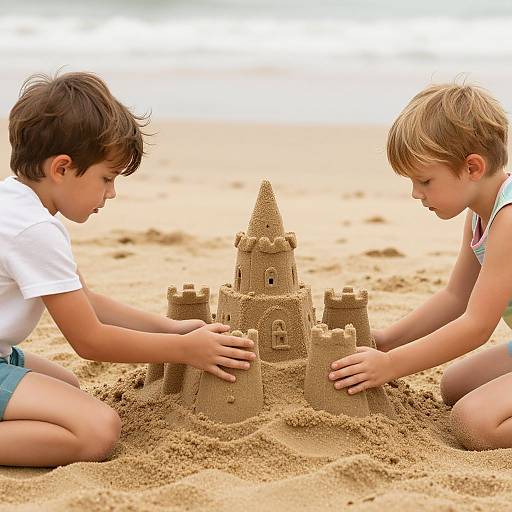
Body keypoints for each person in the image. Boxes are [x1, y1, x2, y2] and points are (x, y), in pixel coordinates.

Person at [0, 71, 255, 467]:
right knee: (97, 430)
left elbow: (87, 300)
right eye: (107, 177)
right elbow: (91, 341)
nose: (112, 193)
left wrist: (170, 328)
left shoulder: (17, 204)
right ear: (62, 168)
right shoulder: (33, 229)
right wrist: (186, 350)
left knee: (66, 386)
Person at [329, 83, 512, 451]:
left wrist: (391, 365)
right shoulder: (481, 213)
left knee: (473, 422)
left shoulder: (509, 220)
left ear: (472, 167)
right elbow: (456, 297)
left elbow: (477, 326)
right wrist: (386, 341)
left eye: (425, 180)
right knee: (454, 386)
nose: (416, 193)